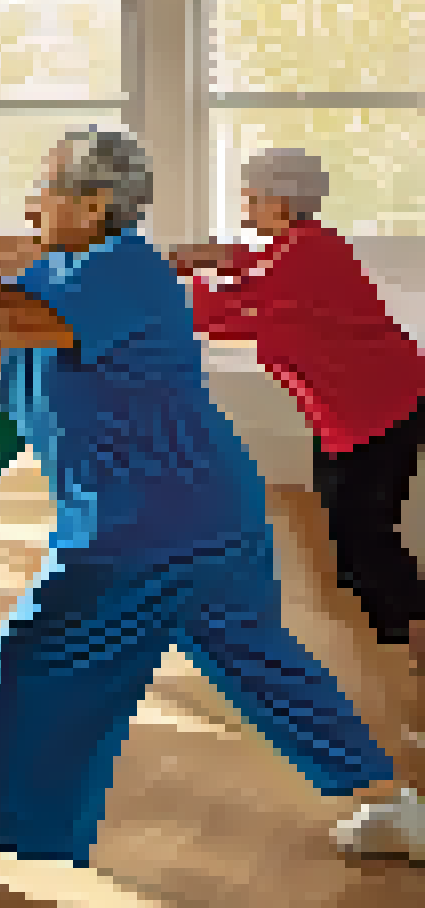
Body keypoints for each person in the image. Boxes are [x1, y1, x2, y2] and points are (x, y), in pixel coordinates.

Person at [0, 127, 424, 897]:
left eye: (49, 186)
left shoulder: (123, 272)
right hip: (201, 515)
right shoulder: (64, 268)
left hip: (146, 524)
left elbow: (1, 321)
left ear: (95, 204)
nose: (34, 200)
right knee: (264, 666)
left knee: (33, 659)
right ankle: (396, 806)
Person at [171, 148, 425, 669]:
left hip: (383, 407)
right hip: (346, 415)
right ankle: (393, 646)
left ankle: (415, 640)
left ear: (278, 198)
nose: (245, 203)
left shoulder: (310, 252)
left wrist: (168, 281)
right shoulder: (296, 246)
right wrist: (211, 258)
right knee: (343, 534)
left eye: (251, 194)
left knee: (363, 534)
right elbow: (252, 270)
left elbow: (228, 313)